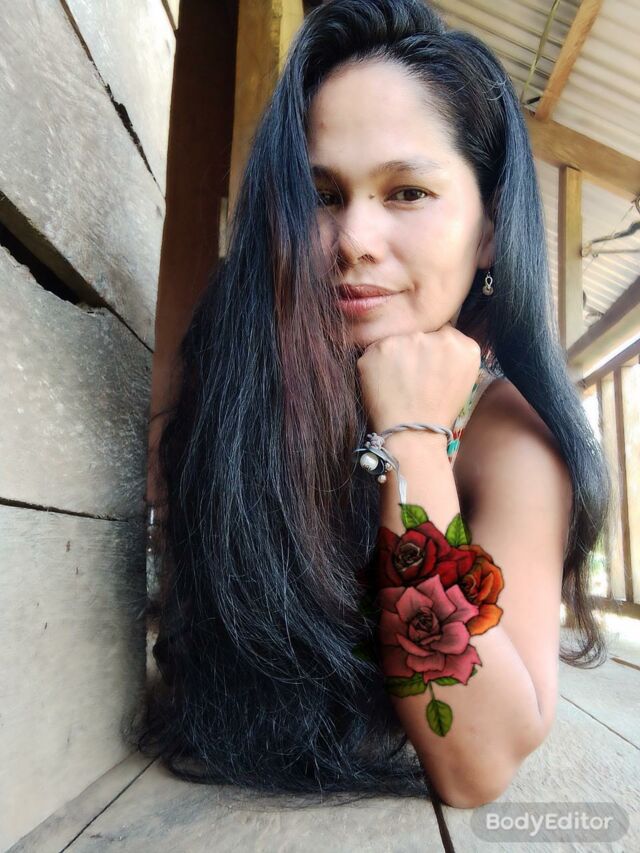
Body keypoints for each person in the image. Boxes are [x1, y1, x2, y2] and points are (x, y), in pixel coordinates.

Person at [128, 0, 612, 809]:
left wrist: (414, 438)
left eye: (407, 191)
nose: (353, 238)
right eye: (322, 194)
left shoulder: (510, 436)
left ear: (489, 230)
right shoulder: (239, 378)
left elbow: (478, 761)